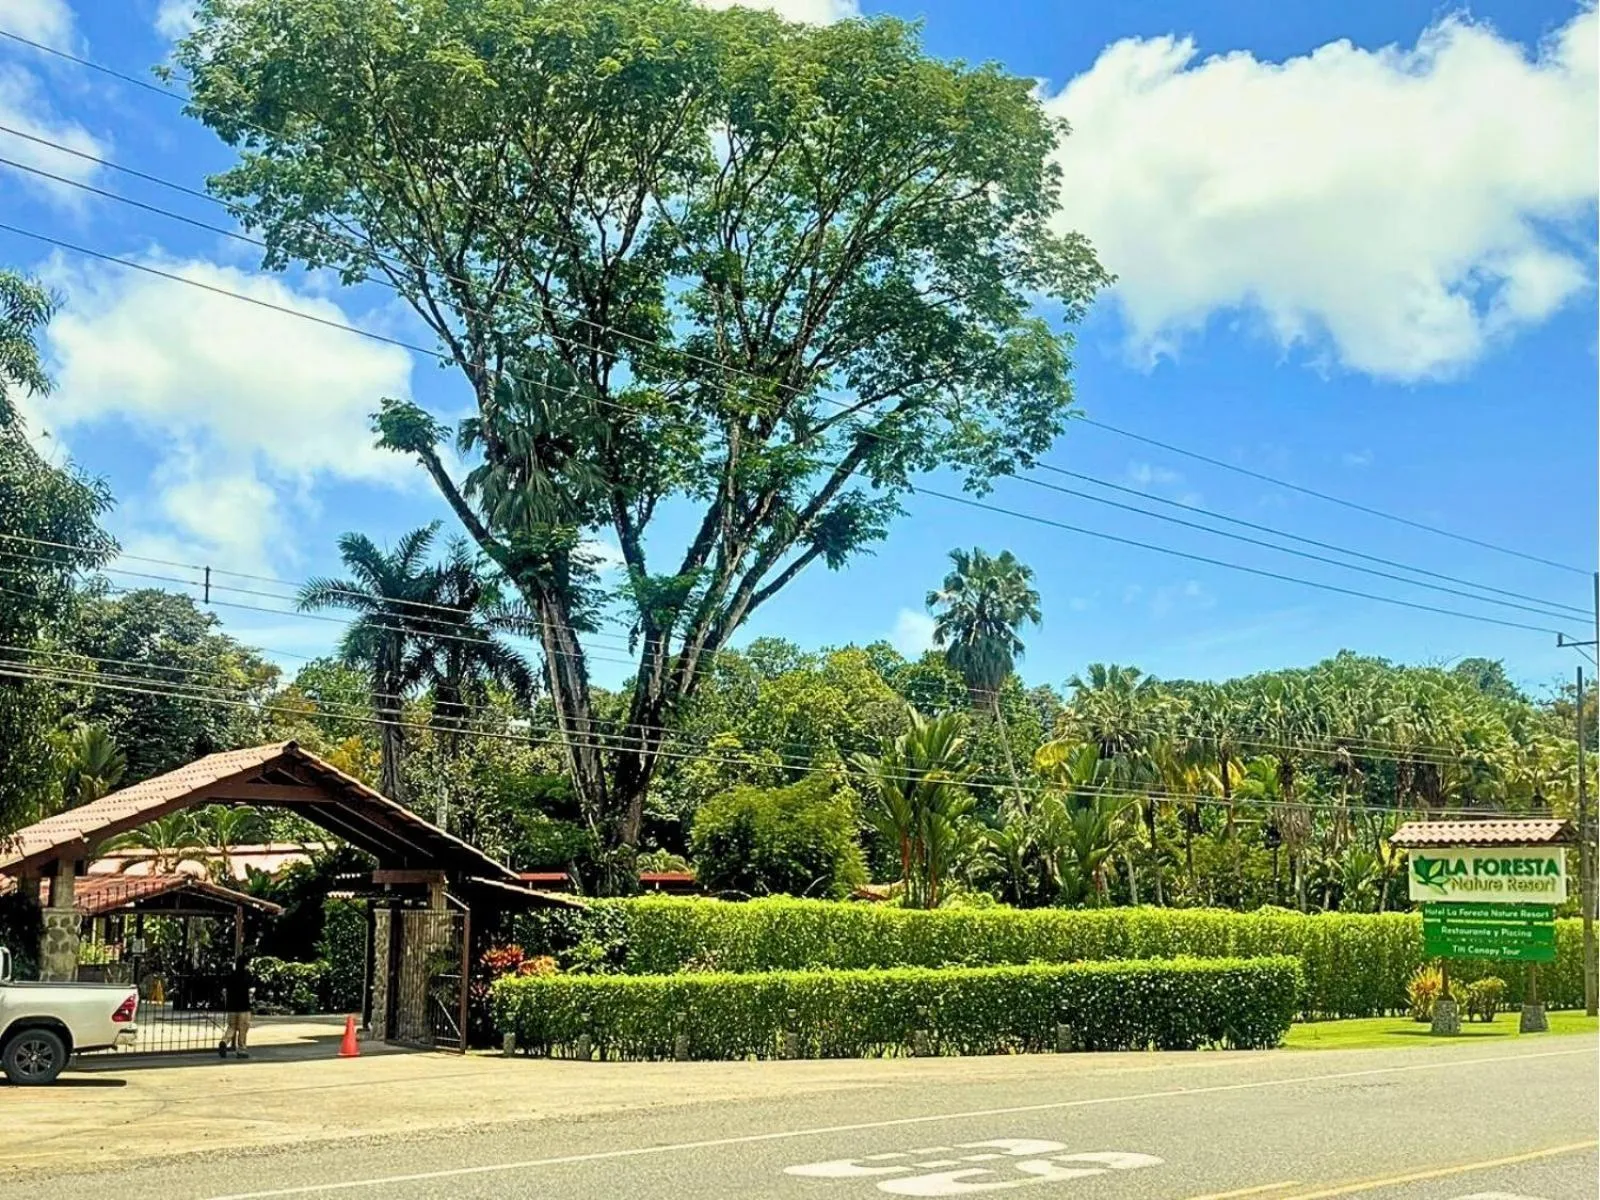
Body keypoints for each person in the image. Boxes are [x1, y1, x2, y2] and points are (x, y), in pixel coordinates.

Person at [220, 954, 254, 1059]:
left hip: (232, 1007)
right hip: (244, 1007)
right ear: (246, 964)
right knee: (243, 1029)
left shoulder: (231, 975)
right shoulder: (247, 975)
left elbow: (224, 991)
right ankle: (242, 1050)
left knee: (231, 1027)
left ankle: (224, 1041)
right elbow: (251, 990)